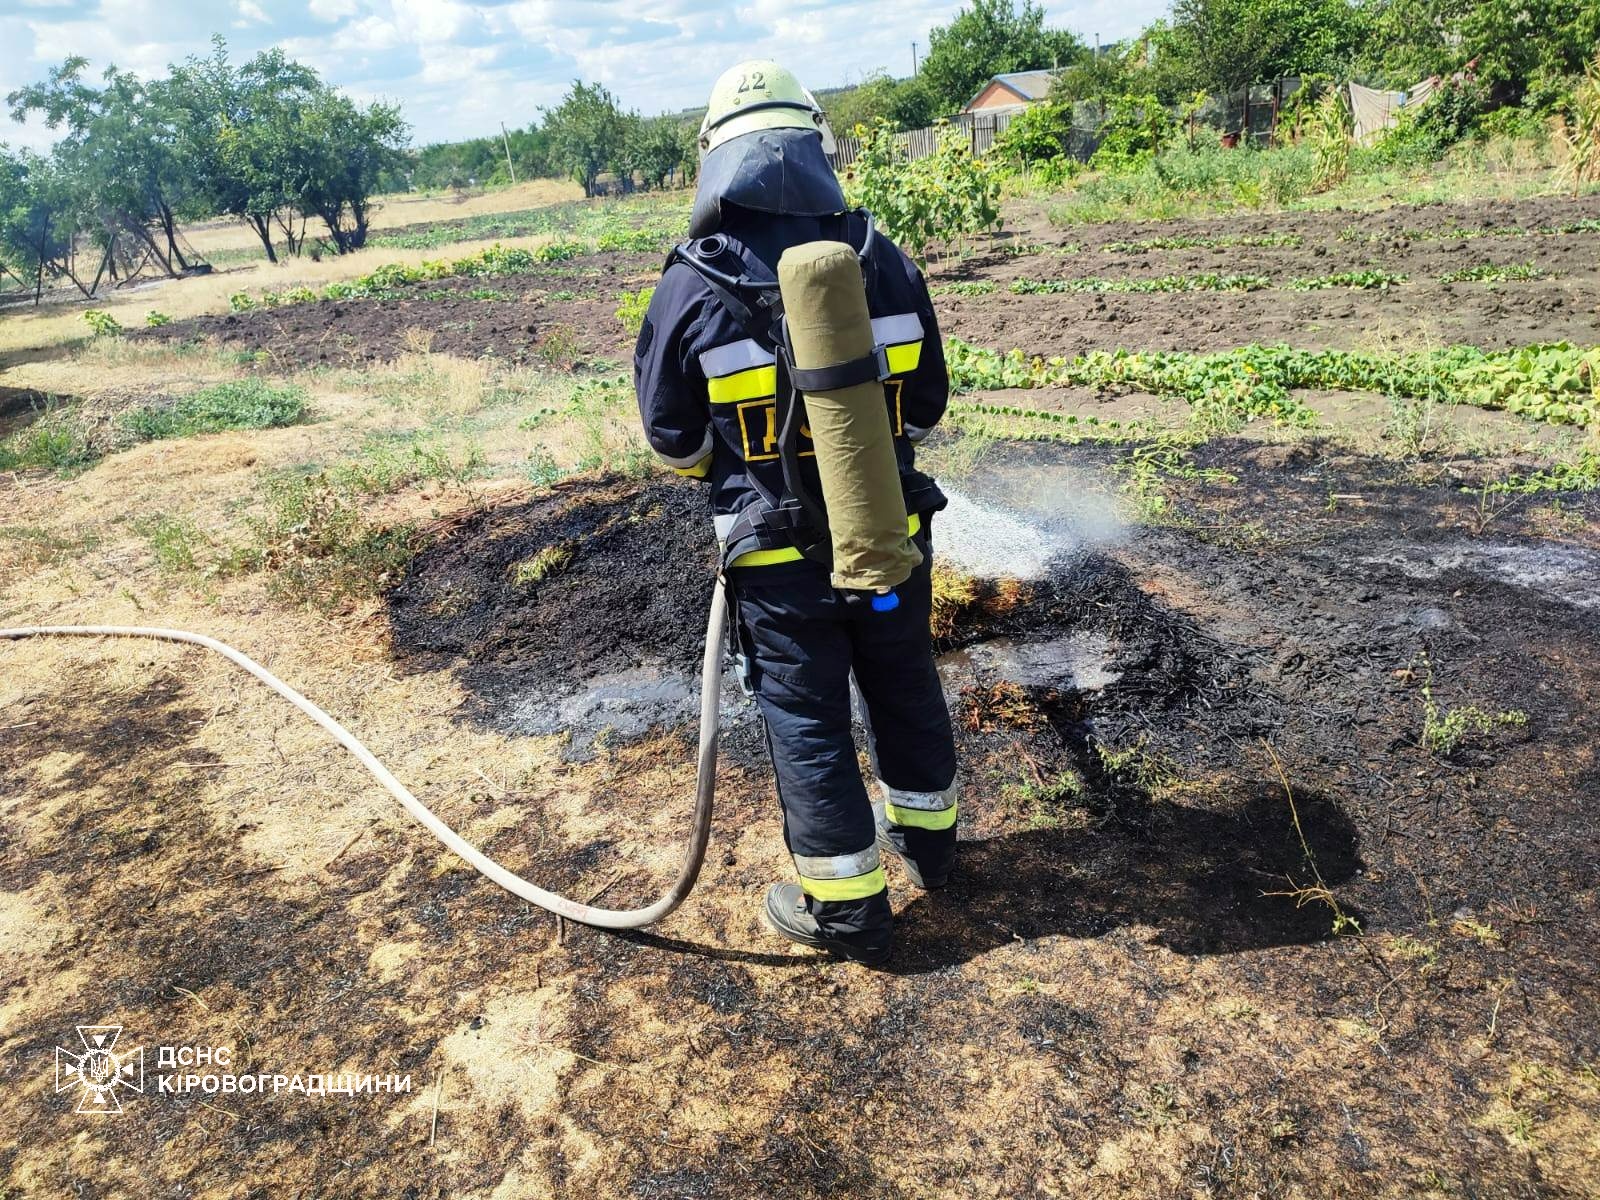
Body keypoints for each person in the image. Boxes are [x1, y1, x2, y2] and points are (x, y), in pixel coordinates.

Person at [632, 60, 958, 966]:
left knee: (808, 716)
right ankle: (932, 846)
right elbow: (926, 405)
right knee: (904, 680)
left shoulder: (690, 284)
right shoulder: (881, 255)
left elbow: (672, 440)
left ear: (714, 162)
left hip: (774, 557)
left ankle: (848, 910)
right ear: (817, 146)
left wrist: (736, 472)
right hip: (888, 536)